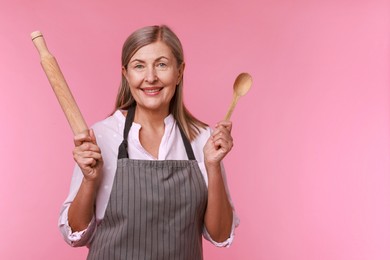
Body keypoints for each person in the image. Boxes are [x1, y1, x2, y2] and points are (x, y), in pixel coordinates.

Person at [58, 25, 239, 260]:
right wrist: (90, 180)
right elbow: (75, 234)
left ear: (179, 71)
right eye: (139, 66)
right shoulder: (100, 137)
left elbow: (220, 234)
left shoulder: (203, 139)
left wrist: (212, 166)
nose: (150, 77)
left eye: (161, 64)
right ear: (126, 73)